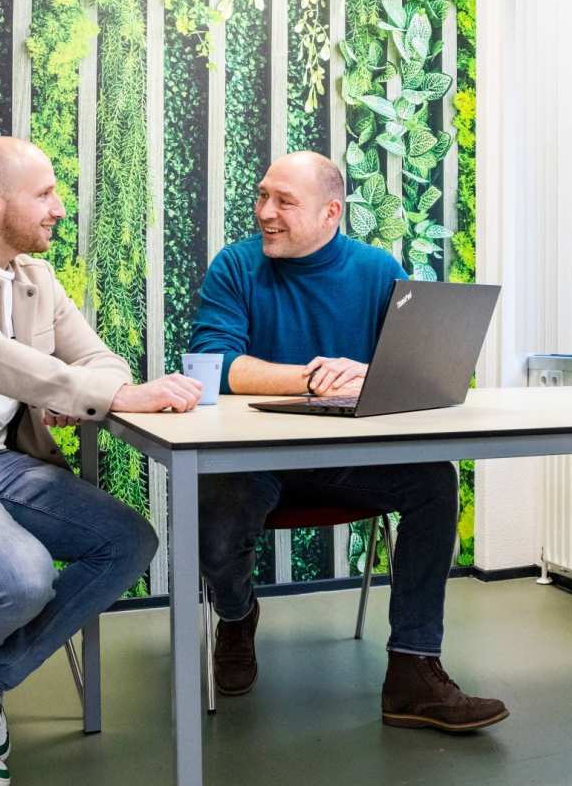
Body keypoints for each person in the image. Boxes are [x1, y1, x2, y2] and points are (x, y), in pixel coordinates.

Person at [190, 151, 509, 732]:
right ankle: (237, 615)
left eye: (284, 201)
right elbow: (214, 365)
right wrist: (313, 376)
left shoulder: (376, 269)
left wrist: (368, 372)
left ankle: (413, 670)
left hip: (344, 462)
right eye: (263, 196)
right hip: (253, 462)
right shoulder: (234, 266)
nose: (264, 212)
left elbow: (412, 370)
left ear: (331, 212)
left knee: (434, 480)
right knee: (215, 502)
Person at [0, 136, 203, 786]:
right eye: (46, 193)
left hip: (6, 465)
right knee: (22, 580)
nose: (60, 208)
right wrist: (82, 391)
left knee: (128, 542)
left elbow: (102, 361)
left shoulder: (36, 280)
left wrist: (86, 389)